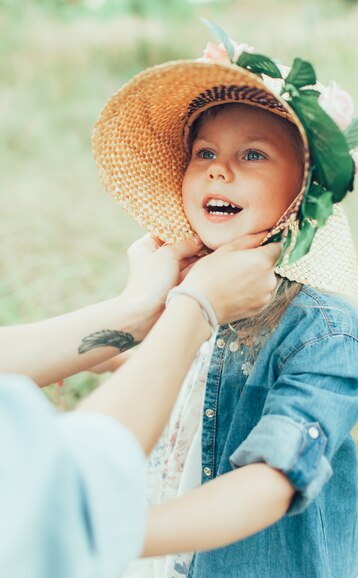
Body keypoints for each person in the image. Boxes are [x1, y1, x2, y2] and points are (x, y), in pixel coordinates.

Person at [93, 25, 358, 578]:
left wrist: (120, 531)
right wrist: (131, 318)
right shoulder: (189, 289)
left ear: (303, 194)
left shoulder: (325, 331)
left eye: (253, 154)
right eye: (204, 151)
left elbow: (272, 481)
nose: (218, 168)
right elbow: (157, 366)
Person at [0, 231, 283, 578]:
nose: (218, 173)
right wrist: (196, 307)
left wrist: (136, 311)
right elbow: (68, 504)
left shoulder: (323, 328)